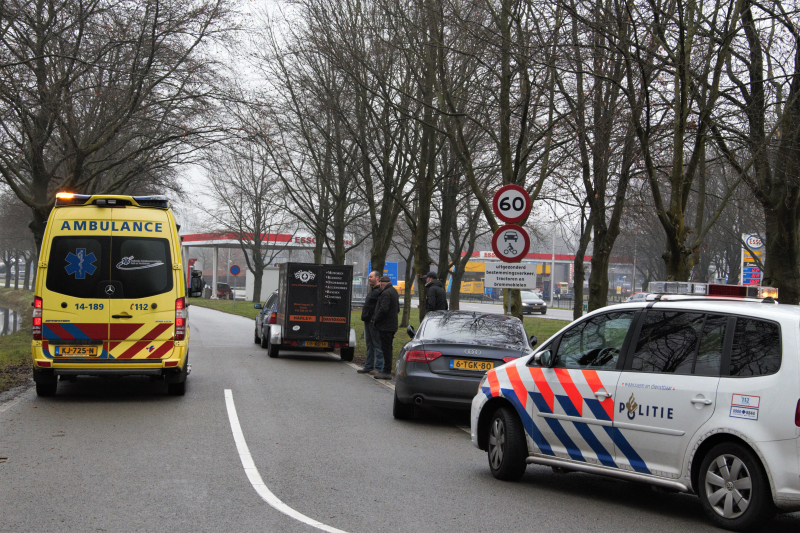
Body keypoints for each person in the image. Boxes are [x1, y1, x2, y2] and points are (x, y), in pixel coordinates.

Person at [372, 275, 399, 380]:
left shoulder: (386, 293)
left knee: (386, 349)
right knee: (388, 348)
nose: (380, 286)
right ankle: (386, 370)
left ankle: (386, 371)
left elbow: (383, 309)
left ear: (382, 283)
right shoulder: (394, 291)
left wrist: (376, 319)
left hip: (386, 326)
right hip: (391, 325)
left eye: (380, 284)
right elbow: (397, 308)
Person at [357, 270, 383, 375]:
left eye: (371, 277)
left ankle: (378, 367)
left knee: (377, 345)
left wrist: (374, 318)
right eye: (369, 277)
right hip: (367, 320)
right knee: (369, 344)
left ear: (377, 278)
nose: (369, 278)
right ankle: (368, 366)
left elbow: (380, 307)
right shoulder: (372, 290)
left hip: (373, 321)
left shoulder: (379, 292)